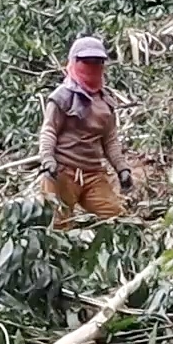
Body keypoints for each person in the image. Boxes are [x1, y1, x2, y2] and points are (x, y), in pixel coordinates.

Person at [39, 36, 132, 227]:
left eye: (97, 62)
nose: (92, 66)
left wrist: (122, 168)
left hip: (93, 174)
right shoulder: (62, 97)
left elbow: (110, 140)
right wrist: (48, 159)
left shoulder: (105, 101)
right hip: (63, 172)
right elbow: (49, 130)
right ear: (74, 62)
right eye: (87, 61)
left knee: (118, 220)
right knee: (57, 226)